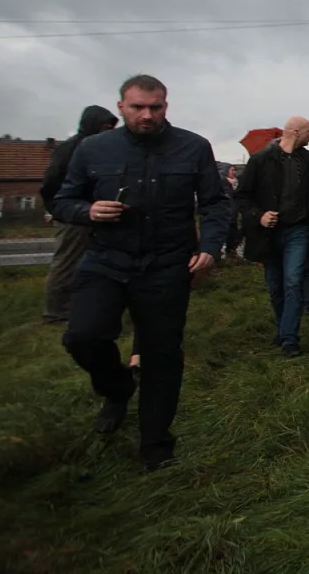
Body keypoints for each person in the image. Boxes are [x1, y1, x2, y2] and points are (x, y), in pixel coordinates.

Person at [54, 75, 230, 472]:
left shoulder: (193, 147)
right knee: (82, 336)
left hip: (167, 264)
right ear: (121, 107)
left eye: (156, 107)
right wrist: (88, 211)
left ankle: (155, 446)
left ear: (166, 106)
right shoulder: (93, 149)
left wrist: (209, 248)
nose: (147, 115)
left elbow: (217, 203)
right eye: (138, 107)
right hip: (106, 260)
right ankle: (117, 388)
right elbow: (64, 199)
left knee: (161, 356)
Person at [236, 116, 309, 358]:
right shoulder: (261, 161)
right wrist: (259, 215)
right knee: (275, 286)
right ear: (294, 132)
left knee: (293, 281)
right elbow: (242, 197)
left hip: (299, 229)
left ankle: (289, 338)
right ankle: (283, 327)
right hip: (268, 233)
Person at [39, 104, 117, 323]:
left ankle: (79, 307)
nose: (109, 131)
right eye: (104, 126)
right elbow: (50, 184)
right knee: (67, 262)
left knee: (88, 263)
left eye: (111, 127)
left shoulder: (95, 148)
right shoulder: (73, 148)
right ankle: (56, 313)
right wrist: (61, 211)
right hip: (73, 216)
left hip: (90, 215)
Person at [218, 163, 242, 259]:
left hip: (233, 213)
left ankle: (231, 252)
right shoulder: (223, 182)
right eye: (232, 170)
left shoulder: (235, 183)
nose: (234, 172)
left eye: (235, 170)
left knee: (233, 234)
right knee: (224, 234)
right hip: (226, 213)